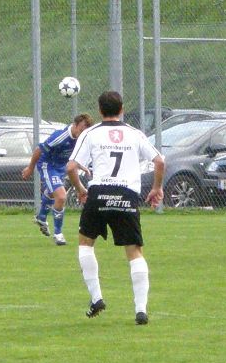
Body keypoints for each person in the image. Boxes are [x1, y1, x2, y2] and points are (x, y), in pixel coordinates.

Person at [66, 91, 165, 325]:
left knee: (85, 244)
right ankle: (141, 310)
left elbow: (71, 167)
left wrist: (80, 189)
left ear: (100, 110)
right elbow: (160, 161)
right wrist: (156, 188)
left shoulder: (90, 133)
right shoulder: (134, 134)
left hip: (98, 194)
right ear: (122, 110)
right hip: (126, 195)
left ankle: (97, 298)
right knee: (134, 252)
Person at [22, 113, 93, 245]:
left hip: (61, 167)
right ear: (75, 125)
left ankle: (41, 217)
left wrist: (81, 166)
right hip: (48, 165)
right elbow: (39, 150)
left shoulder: (81, 139)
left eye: (85, 131)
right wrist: (30, 168)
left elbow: (74, 157)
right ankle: (58, 234)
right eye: (81, 129)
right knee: (61, 196)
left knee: (52, 192)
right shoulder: (60, 137)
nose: (82, 133)